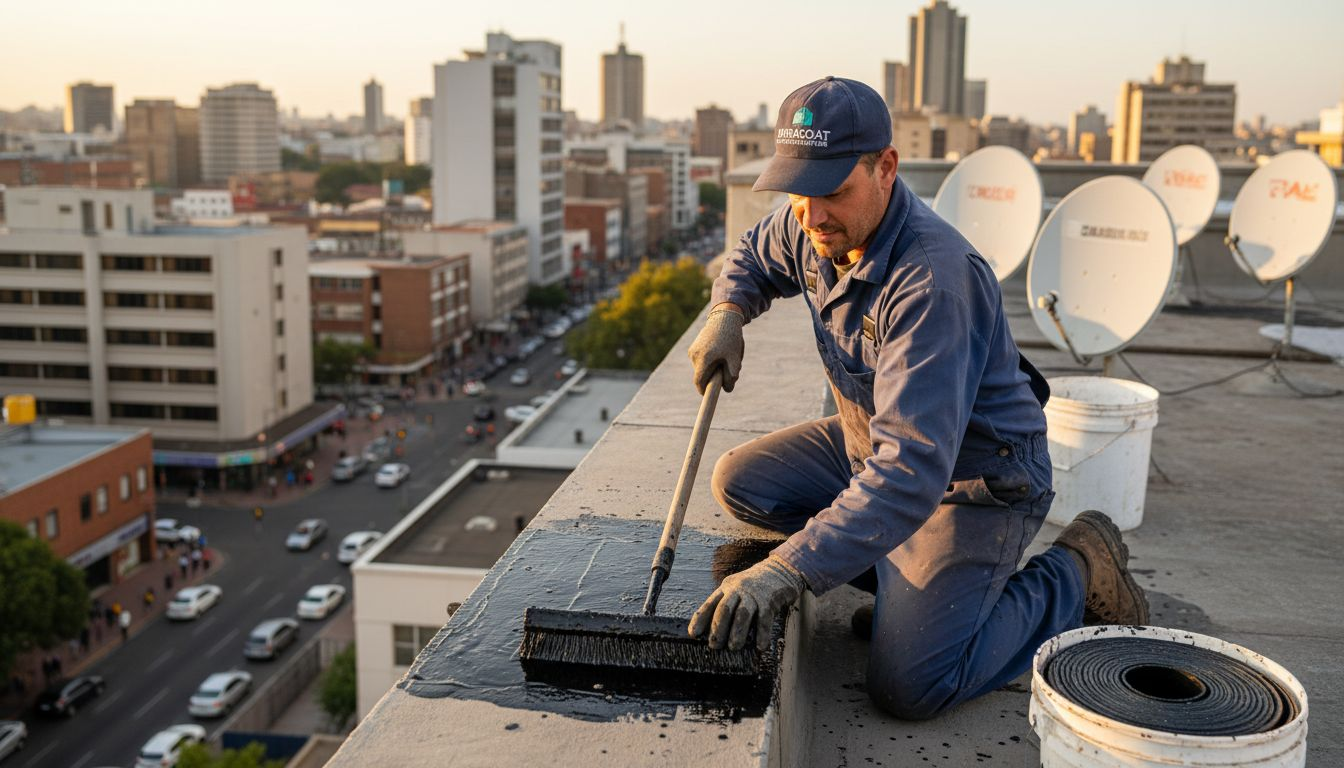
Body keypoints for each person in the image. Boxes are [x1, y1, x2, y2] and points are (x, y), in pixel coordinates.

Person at [684, 76, 1148, 720]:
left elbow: (909, 474)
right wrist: (728, 310)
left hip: (971, 481)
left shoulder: (931, 283)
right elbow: (754, 256)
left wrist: (788, 569)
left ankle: (1074, 573)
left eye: (834, 192)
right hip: (870, 445)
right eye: (798, 192)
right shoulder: (812, 222)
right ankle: (918, 591)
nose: (812, 214)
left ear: (886, 168)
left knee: (909, 685)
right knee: (742, 483)